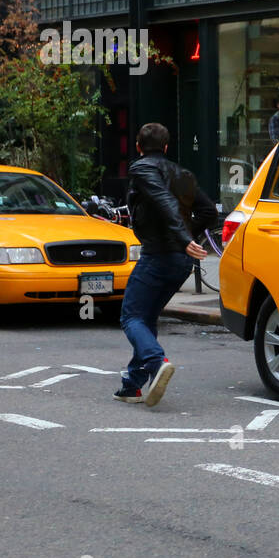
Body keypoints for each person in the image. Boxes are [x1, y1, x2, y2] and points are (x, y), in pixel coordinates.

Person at [115, 122, 218, 406]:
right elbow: (209, 211)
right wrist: (189, 237)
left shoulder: (141, 168)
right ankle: (133, 385)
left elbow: (164, 201)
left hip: (160, 253)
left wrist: (184, 238)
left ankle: (156, 361)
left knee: (130, 316)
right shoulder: (182, 173)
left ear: (138, 146)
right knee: (145, 317)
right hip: (180, 260)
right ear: (166, 147)